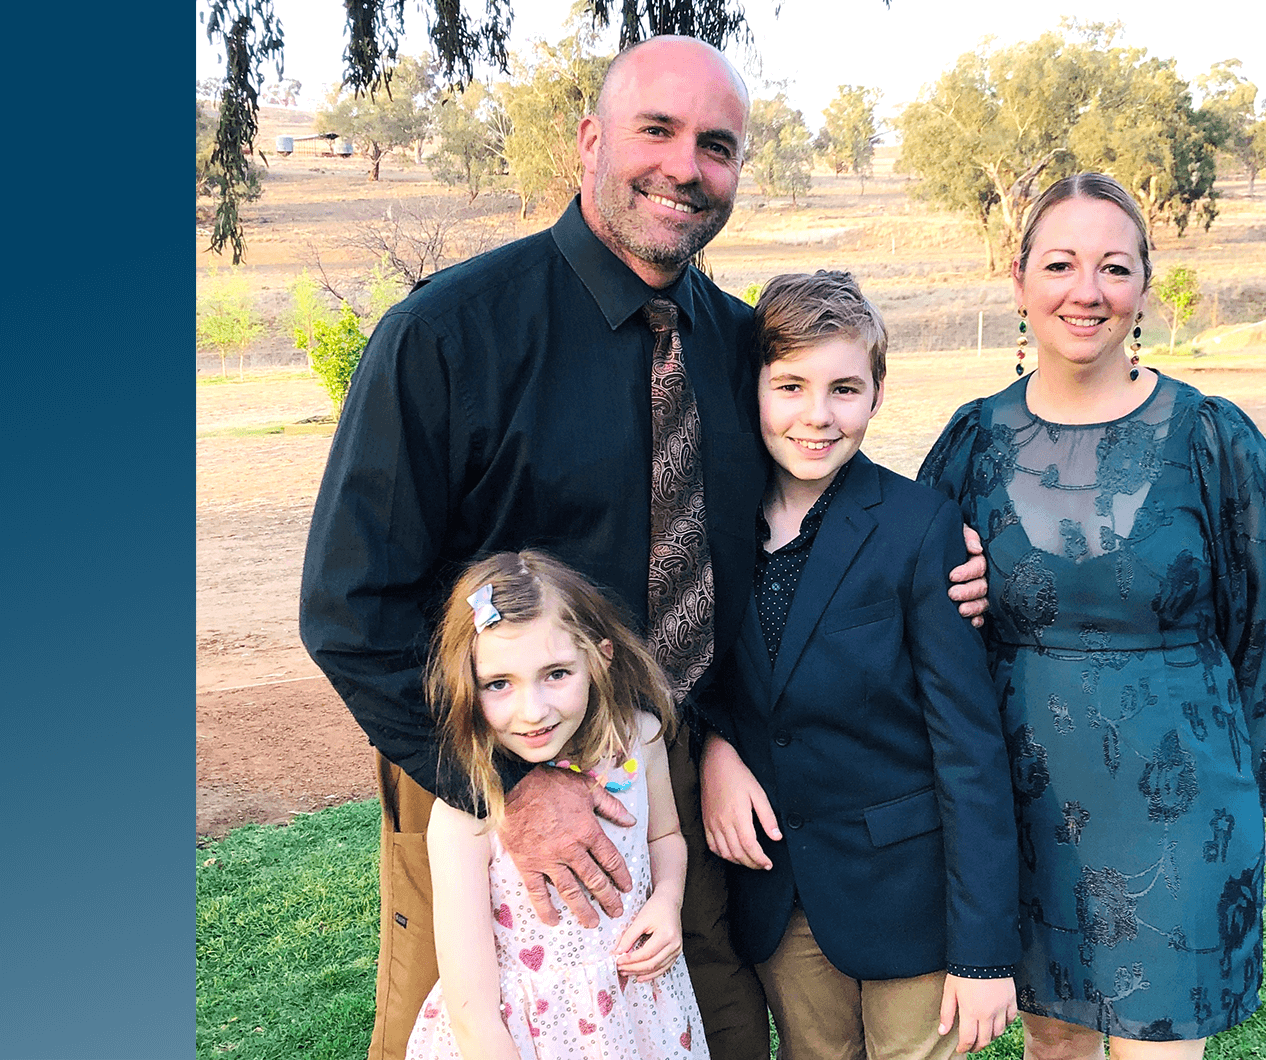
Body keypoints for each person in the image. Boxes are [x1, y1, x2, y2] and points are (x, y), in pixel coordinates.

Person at [299, 35, 987, 1060]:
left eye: (716, 145)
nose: (684, 166)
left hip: (670, 787)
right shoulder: (447, 335)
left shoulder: (740, 345)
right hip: (481, 791)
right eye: (655, 130)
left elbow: (796, 516)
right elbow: (351, 609)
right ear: (589, 143)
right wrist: (510, 784)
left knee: (695, 1030)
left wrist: (941, 565)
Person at [918, 174, 1266, 1060]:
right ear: (1018, 281)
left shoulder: (1213, 436)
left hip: (1180, 807)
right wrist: (965, 604)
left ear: (1144, 284)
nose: (1085, 291)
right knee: (1053, 1045)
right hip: (1025, 805)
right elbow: (921, 609)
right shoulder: (971, 441)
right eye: (1059, 264)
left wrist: (1260, 787)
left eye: (1114, 267)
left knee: (1157, 1047)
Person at [697, 271, 1019, 1059]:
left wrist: (982, 953)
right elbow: (703, 673)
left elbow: (968, 746)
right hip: (782, 893)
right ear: (757, 390)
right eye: (792, 386)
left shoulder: (918, 527)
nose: (817, 416)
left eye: (845, 388)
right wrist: (714, 746)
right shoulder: (715, 523)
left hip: (910, 893)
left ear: (877, 395)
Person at [407, 549, 708, 1060]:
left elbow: (665, 837)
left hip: (642, 1020)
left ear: (600, 657)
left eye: (557, 674)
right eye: (499, 684)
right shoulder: (467, 814)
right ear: (467, 686)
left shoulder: (638, 741)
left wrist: (667, 901)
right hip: (527, 1038)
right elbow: (472, 1011)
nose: (534, 710)